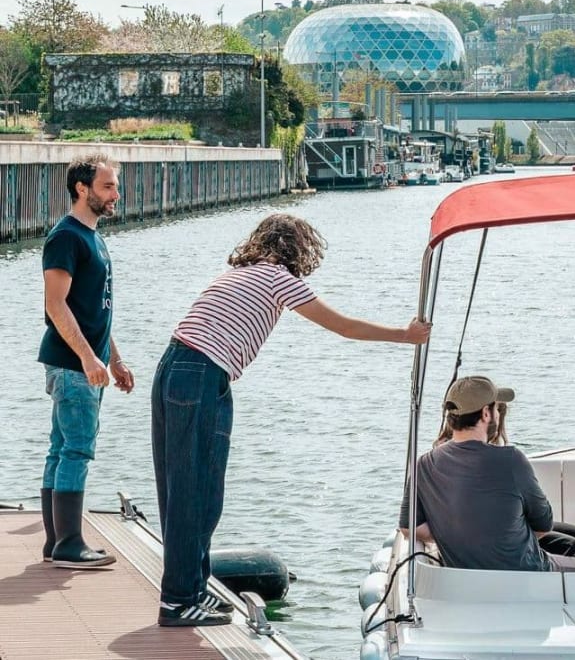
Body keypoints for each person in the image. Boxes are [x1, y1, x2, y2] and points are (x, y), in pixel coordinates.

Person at [152, 213, 432, 628]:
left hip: (178, 369)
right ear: (297, 249)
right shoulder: (277, 277)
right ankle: (177, 601)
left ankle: (192, 590)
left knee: (190, 490)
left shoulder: (238, 273)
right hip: (200, 375)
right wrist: (403, 335)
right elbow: (342, 325)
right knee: (197, 494)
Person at [400, 375, 575, 574]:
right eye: (496, 408)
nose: (498, 413)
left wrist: (453, 533)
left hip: (464, 578)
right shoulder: (511, 459)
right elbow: (543, 525)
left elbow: (408, 527)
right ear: (486, 414)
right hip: (528, 574)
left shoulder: (423, 464)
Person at [39, 154, 134, 570]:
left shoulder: (95, 238)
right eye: (108, 187)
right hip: (71, 364)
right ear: (83, 189)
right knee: (76, 450)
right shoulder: (67, 237)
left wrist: (114, 359)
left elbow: (95, 310)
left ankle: (56, 542)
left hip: (85, 361)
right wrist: (87, 357)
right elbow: (56, 306)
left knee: (61, 449)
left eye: (115, 186)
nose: (116, 194)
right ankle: (70, 544)